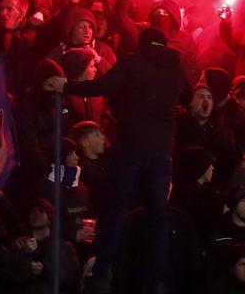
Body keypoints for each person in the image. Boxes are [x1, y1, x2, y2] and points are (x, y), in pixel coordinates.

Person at [62, 26, 189, 292]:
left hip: (131, 146)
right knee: (158, 215)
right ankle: (159, 276)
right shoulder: (177, 68)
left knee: (116, 209)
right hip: (161, 151)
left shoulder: (133, 62)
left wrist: (68, 86)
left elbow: (103, 85)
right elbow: (186, 96)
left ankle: (102, 267)